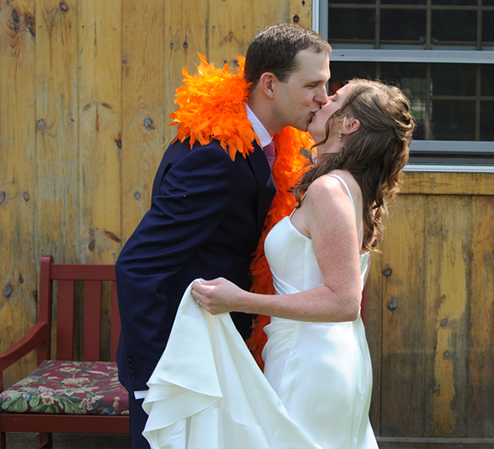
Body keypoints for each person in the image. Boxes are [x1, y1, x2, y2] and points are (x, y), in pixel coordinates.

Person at [140, 79, 415, 448]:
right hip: (321, 353)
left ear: (350, 124)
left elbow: (344, 301)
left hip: (311, 360)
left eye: (333, 99)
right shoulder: (349, 186)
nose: (322, 101)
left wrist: (239, 300)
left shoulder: (329, 191)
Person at [115, 24, 331, 449]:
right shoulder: (213, 157)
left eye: (326, 84)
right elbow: (139, 265)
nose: (324, 97)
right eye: (313, 85)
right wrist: (151, 381)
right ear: (269, 84)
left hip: (226, 354)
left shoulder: (269, 145)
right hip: (183, 369)